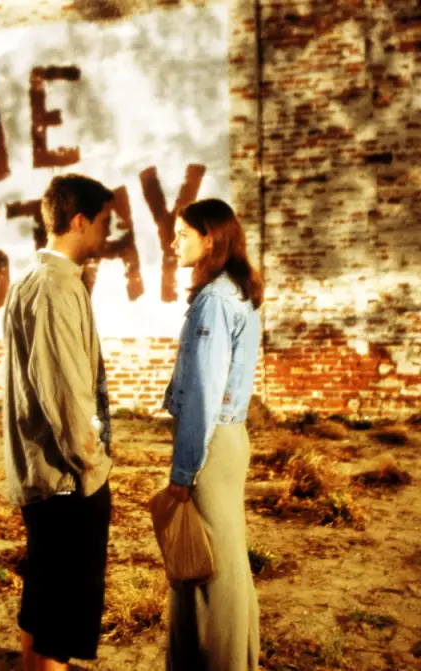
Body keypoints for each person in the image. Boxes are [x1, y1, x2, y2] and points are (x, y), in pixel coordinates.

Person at [2, 173, 115, 671]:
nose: (106, 235)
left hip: (48, 478)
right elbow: (65, 394)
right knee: (59, 625)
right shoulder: (52, 287)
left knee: (45, 612)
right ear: (79, 221)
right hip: (67, 483)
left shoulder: (39, 280)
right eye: (103, 224)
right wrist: (94, 465)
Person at [163, 198, 263, 671]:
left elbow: (203, 395)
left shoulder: (215, 301)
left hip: (209, 446)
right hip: (227, 439)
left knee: (210, 573)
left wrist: (183, 471)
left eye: (182, 233)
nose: (173, 242)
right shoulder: (232, 291)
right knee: (222, 564)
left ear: (210, 239)